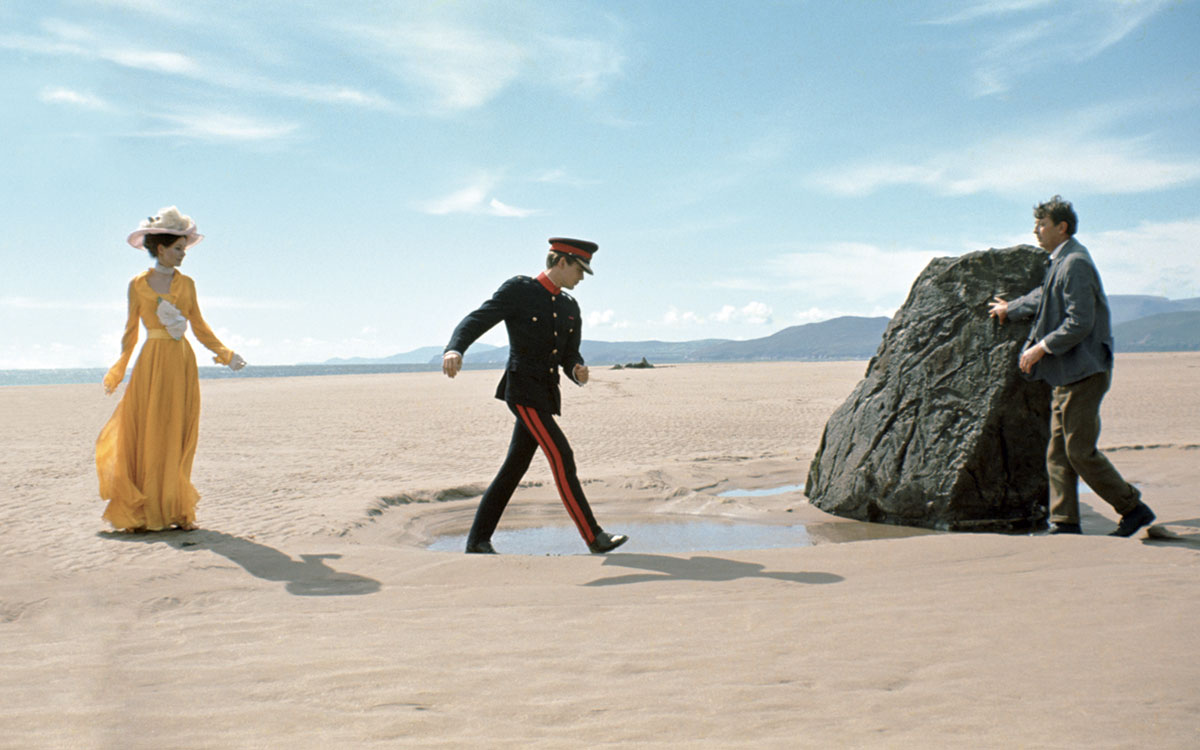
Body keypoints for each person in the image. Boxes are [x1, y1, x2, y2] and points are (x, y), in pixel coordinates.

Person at [442, 238, 628, 554]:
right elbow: (479, 317)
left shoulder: (570, 306)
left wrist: (577, 370)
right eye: (579, 270)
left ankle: (477, 541)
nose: (581, 278)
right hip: (522, 391)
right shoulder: (520, 290)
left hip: (546, 394)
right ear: (562, 262)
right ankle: (593, 536)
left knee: (514, 468)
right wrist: (455, 347)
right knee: (562, 455)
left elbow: (569, 355)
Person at [989, 196, 1155, 537]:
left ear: (1061, 227)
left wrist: (1040, 348)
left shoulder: (1075, 262)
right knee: (1058, 452)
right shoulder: (1060, 262)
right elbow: (1042, 296)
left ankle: (1133, 508)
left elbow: (1080, 322)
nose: (1036, 230)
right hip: (1068, 373)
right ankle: (1064, 522)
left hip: (1086, 371)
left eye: (1042, 224)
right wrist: (1011, 308)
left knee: (1078, 451)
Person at [95, 207, 247, 532]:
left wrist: (226, 354)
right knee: (148, 433)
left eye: (184, 249)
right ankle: (146, 512)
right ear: (160, 248)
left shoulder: (187, 284)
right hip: (151, 363)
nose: (183, 255)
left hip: (181, 363)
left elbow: (200, 326)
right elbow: (130, 333)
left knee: (176, 434)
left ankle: (176, 510)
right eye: (178, 248)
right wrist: (119, 370)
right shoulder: (137, 285)